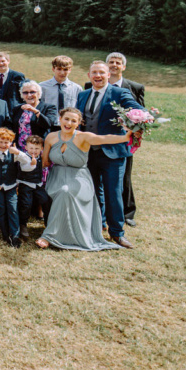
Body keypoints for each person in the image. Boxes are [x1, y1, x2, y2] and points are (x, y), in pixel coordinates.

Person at [37, 107, 129, 251]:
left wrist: (126, 137)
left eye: (73, 121)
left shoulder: (83, 137)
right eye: (66, 119)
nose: (69, 123)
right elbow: (45, 162)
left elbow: (104, 139)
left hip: (79, 178)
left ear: (78, 123)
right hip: (56, 176)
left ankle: (49, 236)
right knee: (61, 191)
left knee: (66, 191)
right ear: (60, 119)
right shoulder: (51, 137)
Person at [76, 61, 142, 248]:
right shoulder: (83, 94)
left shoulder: (119, 93)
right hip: (88, 152)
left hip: (112, 152)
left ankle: (117, 233)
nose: (98, 76)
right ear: (89, 75)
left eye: (101, 72)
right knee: (93, 191)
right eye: (94, 72)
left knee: (113, 193)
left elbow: (137, 109)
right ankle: (98, 225)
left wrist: (140, 121)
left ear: (108, 75)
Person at [102, 52, 146, 228]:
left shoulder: (134, 87)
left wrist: (135, 134)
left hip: (125, 138)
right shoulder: (93, 84)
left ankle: (128, 212)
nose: (114, 65)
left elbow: (141, 114)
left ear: (123, 66)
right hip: (102, 136)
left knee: (125, 175)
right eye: (111, 62)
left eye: (118, 62)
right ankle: (103, 211)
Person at [0, 127, 35, 247]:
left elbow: (28, 162)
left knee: (13, 208)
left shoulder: (13, 153)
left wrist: (19, 152)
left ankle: (15, 235)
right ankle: (6, 234)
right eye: (1, 142)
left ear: (11, 142)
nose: (4, 145)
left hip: (10, 185)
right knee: (1, 208)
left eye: (6, 142)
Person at [15, 135, 51, 242]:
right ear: (26, 147)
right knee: (26, 204)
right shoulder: (23, 157)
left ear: (41, 149)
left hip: (37, 184)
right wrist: (32, 164)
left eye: (36, 149)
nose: (34, 151)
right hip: (25, 184)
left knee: (46, 200)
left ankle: (48, 224)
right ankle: (23, 224)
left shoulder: (40, 158)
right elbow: (24, 168)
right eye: (31, 148)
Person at [11, 80, 59, 146]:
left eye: (32, 92)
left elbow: (48, 124)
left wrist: (35, 111)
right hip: (21, 148)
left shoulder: (49, 107)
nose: (29, 95)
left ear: (39, 93)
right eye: (25, 93)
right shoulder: (18, 108)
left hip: (38, 148)